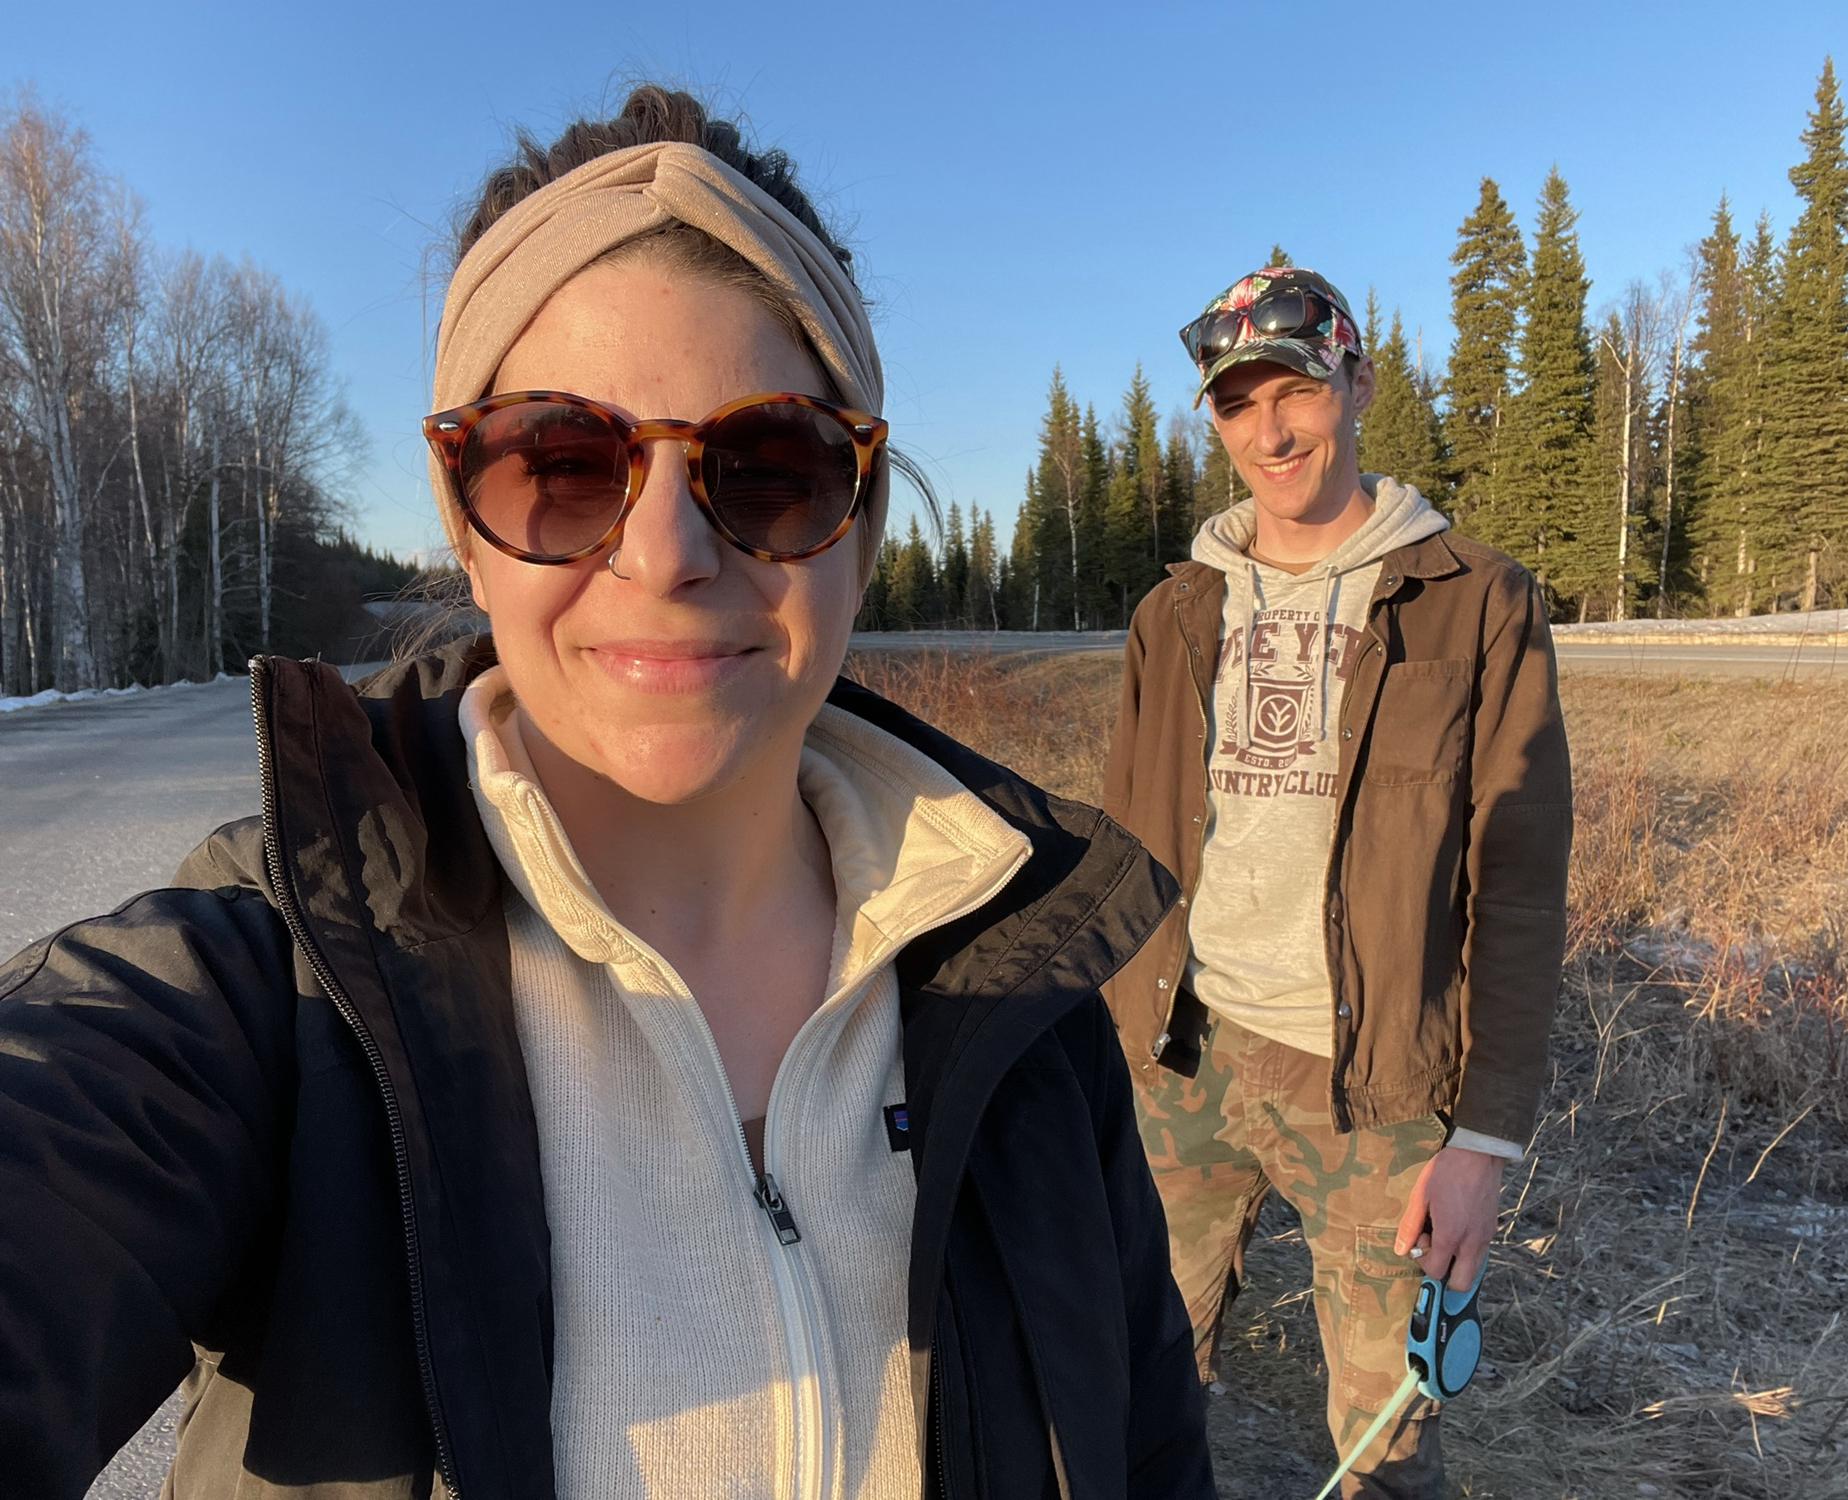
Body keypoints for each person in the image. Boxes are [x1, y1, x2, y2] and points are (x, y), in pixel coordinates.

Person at [0, 87, 1213, 1500]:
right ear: (464, 521)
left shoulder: (1029, 1002)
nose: (666, 554)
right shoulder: (273, 995)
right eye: (563, 467)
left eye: (767, 468)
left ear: (861, 524)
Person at [1101, 264, 1572, 1498]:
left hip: (1379, 1094)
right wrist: (1101, 1047)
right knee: (1124, 1376)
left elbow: (1517, 884)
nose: (1267, 431)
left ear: (1355, 382)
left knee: (1382, 1439)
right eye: (1234, 403)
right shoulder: (1174, 611)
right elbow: (1129, 846)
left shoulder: (1474, 601)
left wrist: (1483, 1137)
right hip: (1178, 1060)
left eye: (1293, 390)